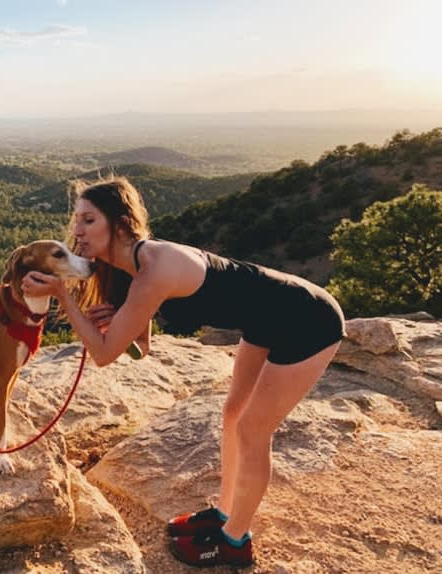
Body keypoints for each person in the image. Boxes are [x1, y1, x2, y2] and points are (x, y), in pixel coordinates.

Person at [21, 176, 345, 568]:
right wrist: (123, 319)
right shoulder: (132, 269)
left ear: (120, 224)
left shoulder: (154, 267)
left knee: (252, 429)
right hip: (265, 320)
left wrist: (61, 296)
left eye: (88, 220)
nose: (77, 231)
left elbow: (104, 355)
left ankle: (235, 542)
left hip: (307, 318)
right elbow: (141, 351)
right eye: (76, 220)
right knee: (231, 415)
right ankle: (225, 513)